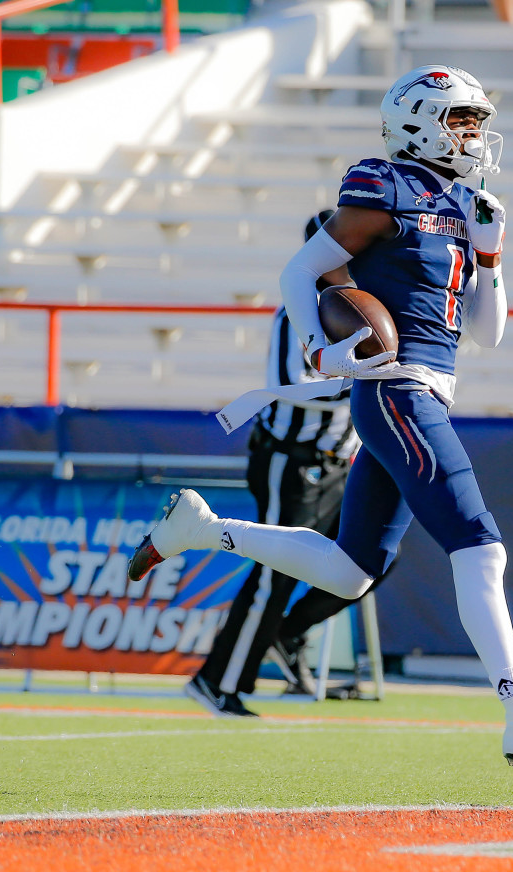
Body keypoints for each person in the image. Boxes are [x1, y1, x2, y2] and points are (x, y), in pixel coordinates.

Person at [130, 66, 513, 768]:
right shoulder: (385, 185)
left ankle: (204, 530)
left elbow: (489, 332)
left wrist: (492, 257)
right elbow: (301, 271)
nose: (475, 133)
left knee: (353, 571)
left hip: (425, 389)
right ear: (418, 121)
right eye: (462, 119)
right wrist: (319, 345)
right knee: (482, 549)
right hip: (398, 388)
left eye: (477, 120)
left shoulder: (462, 200)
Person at [185, 210, 381, 717]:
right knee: (275, 570)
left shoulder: (370, 305)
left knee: (374, 556)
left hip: (341, 463)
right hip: (290, 461)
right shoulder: (300, 309)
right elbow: (286, 385)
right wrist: (356, 383)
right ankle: (217, 681)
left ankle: (285, 634)